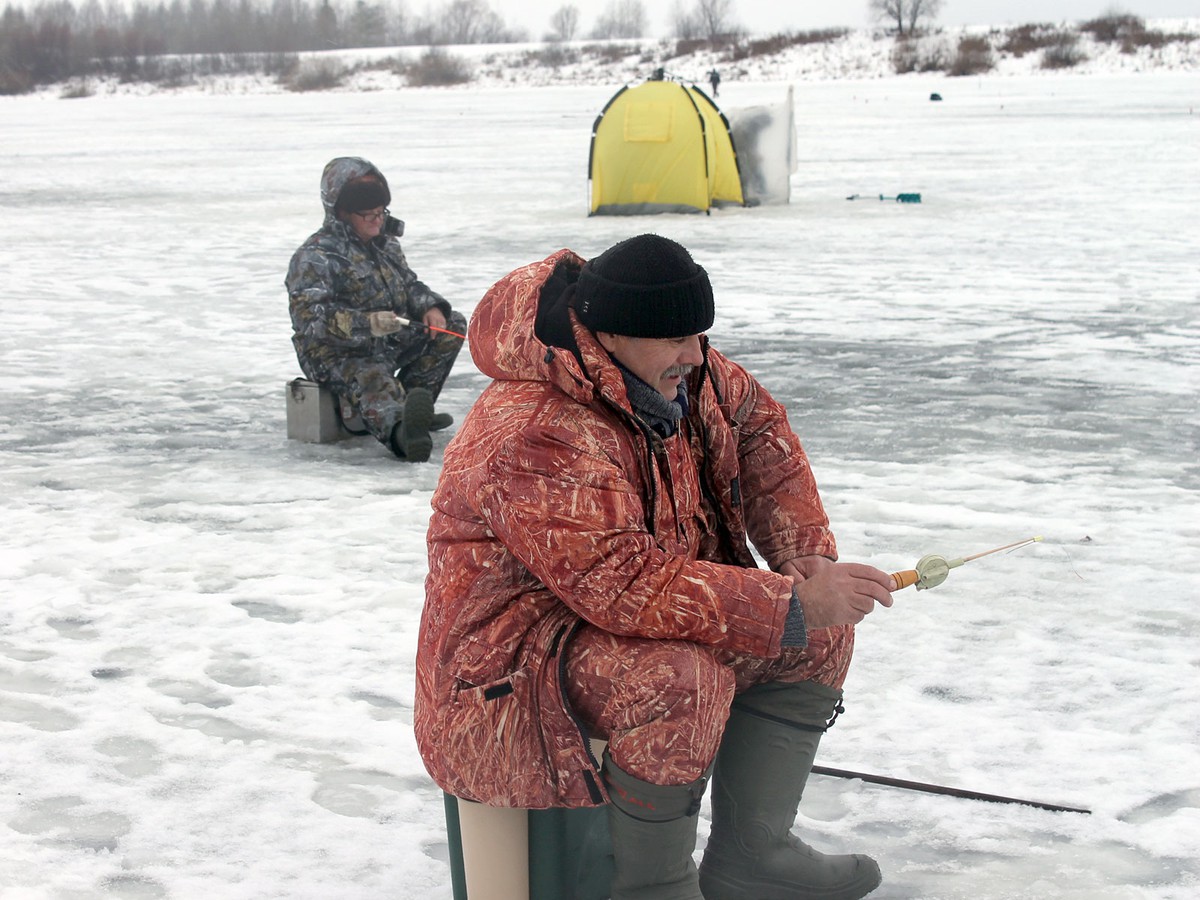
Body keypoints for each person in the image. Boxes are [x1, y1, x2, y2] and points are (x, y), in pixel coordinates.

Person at [414, 234, 894, 900]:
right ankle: (655, 887)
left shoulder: (671, 365)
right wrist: (785, 604)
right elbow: (623, 581)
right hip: (514, 667)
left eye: (700, 337)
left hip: (621, 617)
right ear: (611, 334)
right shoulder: (535, 428)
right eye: (678, 341)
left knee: (817, 635)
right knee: (678, 681)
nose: (696, 356)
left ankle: (754, 857)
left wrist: (802, 553)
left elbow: (760, 430)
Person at [286, 156, 465, 461]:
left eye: (380, 213)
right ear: (342, 213)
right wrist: (366, 324)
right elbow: (309, 321)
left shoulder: (386, 244)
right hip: (335, 351)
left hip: (389, 335)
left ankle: (410, 407)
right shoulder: (315, 256)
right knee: (372, 378)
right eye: (366, 214)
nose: (376, 220)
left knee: (450, 327)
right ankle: (401, 433)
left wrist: (429, 306)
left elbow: (408, 285)